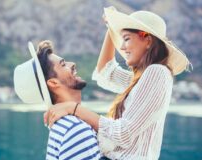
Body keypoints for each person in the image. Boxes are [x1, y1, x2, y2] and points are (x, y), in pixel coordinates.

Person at [44, 7, 191, 160]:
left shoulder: (157, 73)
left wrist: (73, 108)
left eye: (126, 39)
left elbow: (124, 134)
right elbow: (104, 73)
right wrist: (111, 27)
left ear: (147, 41)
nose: (121, 47)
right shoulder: (140, 80)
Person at [14, 40, 101, 160]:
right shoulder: (75, 129)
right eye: (63, 64)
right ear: (53, 83)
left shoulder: (63, 125)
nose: (73, 64)